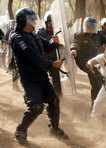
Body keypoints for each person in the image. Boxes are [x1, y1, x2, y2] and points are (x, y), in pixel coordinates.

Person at [10, 8, 68, 145]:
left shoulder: (34, 34)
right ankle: (21, 130)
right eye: (31, 19)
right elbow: (33, 58)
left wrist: (53, 43)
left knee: (54, 101)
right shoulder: (17, 38)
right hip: (29, 79)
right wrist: (52, 64)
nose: (34, 21)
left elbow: (45, 47)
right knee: (36, 106)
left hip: (41, 75)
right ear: (23, 20)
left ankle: (54, 129)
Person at [70, 17, 106, 108]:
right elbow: (75, 43)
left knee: (102, 82)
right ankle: (94, 106)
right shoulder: (79, 35)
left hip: (95, 62)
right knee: (96, 82)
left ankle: (98, 103)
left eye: (92, 26)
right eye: (89, 26)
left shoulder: (98, 36)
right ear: (85, 26)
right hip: (84, 62)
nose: (91, 28)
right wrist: (74, 50)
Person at [37, 11, 62, 96]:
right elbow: (43, 46)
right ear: (46, 23)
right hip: (43, 60)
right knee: (41, 81)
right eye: (49, 22)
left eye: (53, 23)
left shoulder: (58, 32)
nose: (51, 25)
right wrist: (52, 41)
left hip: (54, 60)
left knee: (56, 80)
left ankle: (59, 98)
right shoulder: (40, 33)